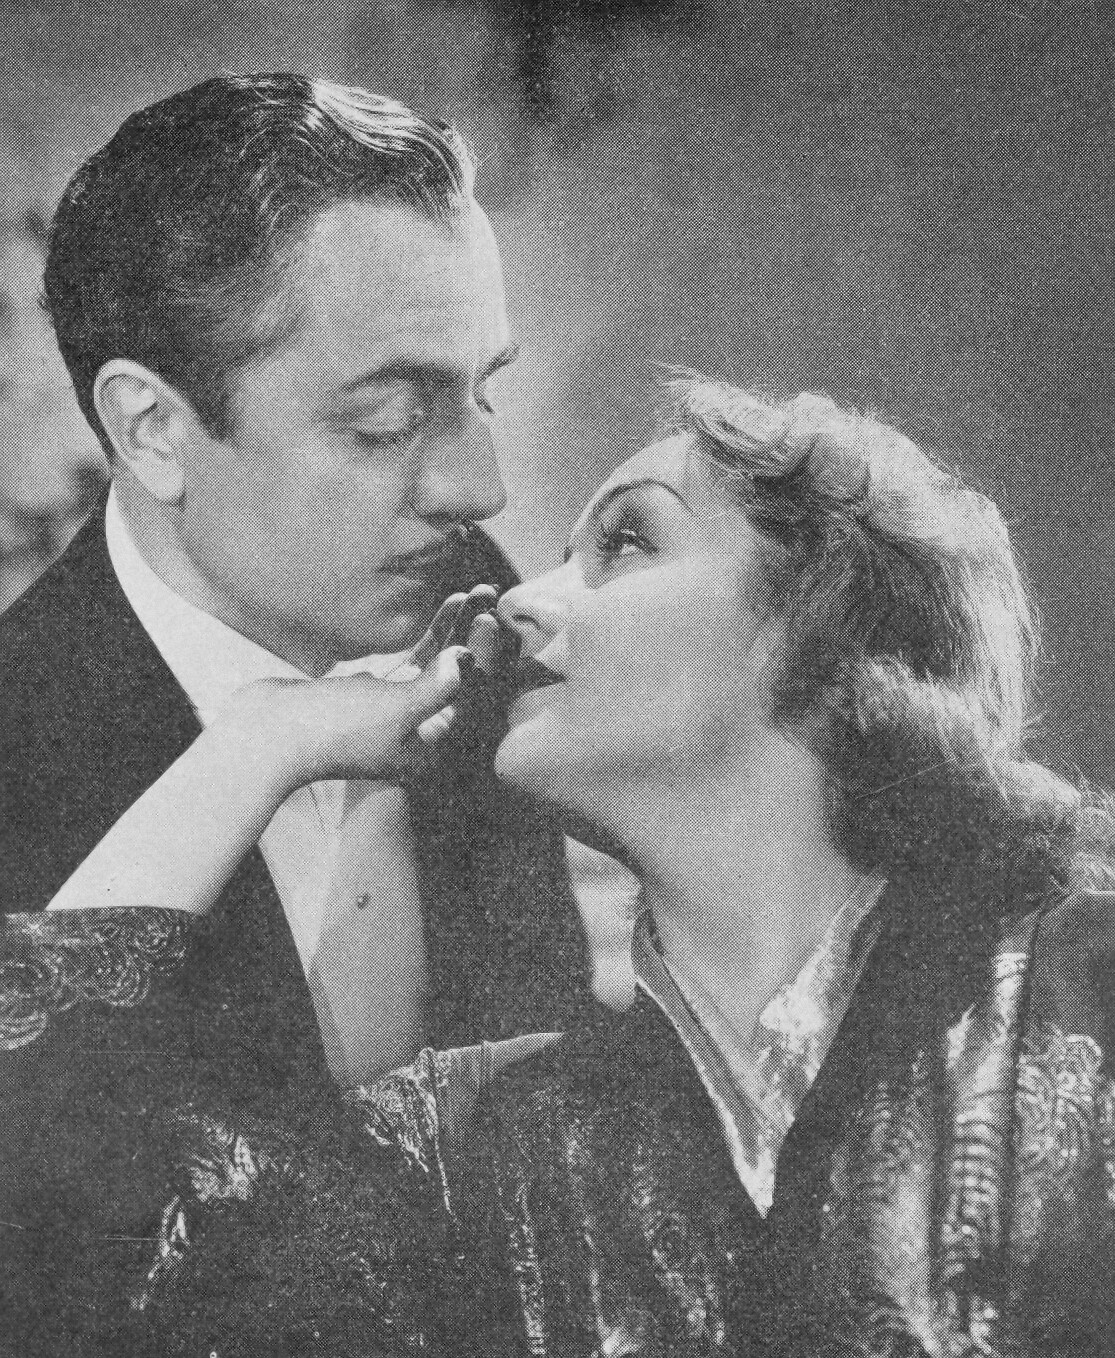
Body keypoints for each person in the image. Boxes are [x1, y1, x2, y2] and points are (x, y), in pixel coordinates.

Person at [6, 381, 1115, 1355]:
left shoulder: (1080, 987)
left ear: (828, 634)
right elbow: (58, 1221)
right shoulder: (480, 1143)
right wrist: (256, 741)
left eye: (625, 543)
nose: (520, 599)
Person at [0, 75, 587, 1097]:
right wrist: (257, 751)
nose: (478, 490)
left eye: (481, 390)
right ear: (154, 430)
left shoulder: (476, 600)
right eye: (385, 423)